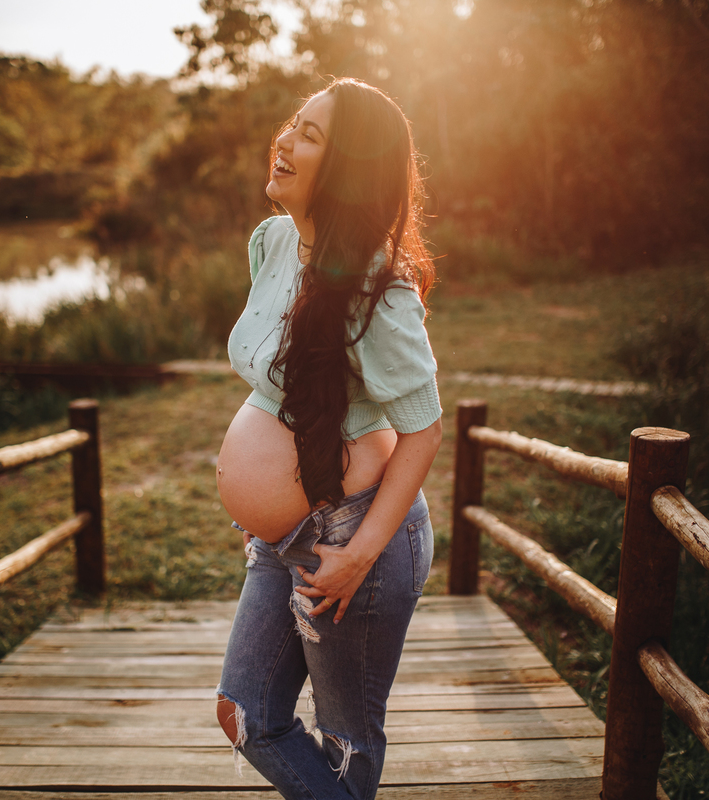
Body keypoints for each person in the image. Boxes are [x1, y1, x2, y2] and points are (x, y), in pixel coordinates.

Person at [214, 78, 442, 800]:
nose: (284, 141)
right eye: (293, 125)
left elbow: (424, 430)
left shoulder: (381, 289)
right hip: (282, 542)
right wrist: (260, 514)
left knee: (346, 745)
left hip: (350, 546)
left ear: (346, 167)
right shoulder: (273, 241)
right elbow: (284, 386)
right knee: (246, 714)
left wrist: (357, 555)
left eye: (310, 135)